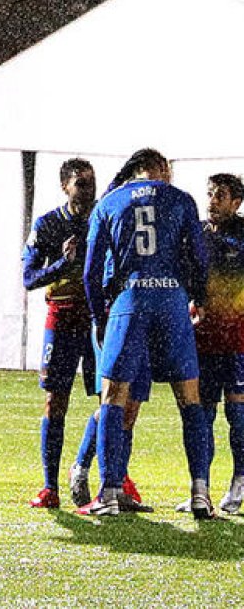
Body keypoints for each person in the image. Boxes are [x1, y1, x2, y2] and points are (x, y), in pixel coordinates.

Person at [82, 148, 212, 518]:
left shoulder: (110, 203)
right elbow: (198, 256)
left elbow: (91, 271)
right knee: (190, 398)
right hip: (172, 300)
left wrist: (99, 316)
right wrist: (198, 297)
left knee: (113, 398)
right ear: (157, 169)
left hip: (130, 300)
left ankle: (108, 492)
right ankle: (200, 492)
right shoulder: (181, 199)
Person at [21, 159, 147, 510]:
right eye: (81, 183)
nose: (88, 189)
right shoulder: (47, 225)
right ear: (65, 185)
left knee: (115, 400)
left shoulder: (104, 217)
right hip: (62, 319)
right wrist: (63, 263)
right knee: (55, 402)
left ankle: (108, 474)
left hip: (99, 320)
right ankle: (50, 487)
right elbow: (29, 278)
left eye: (92, 183)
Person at [175, 173, 244, 514]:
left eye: (221, 195)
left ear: (237, 202)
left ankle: (239, 480)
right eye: (210, 194)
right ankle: (200, 487)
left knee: (238, 414)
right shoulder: (197, 233)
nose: (213, 200)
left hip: (237, 341)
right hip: (200, 340)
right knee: (202, 416)